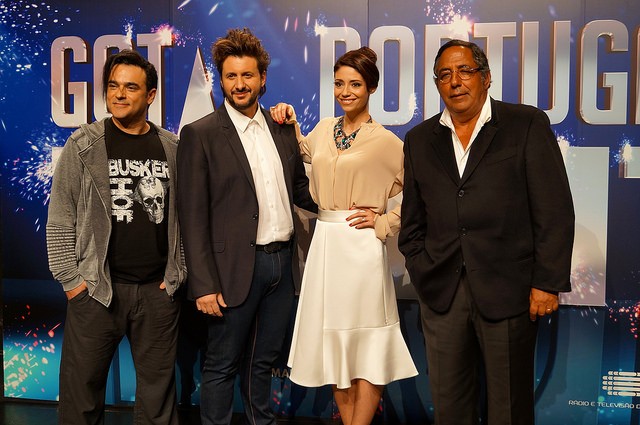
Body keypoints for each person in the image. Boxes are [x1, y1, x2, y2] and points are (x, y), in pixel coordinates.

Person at [398, 39, 575, 425]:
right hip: (442, 294)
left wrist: (546, 282)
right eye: (444, 75)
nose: (455, 81)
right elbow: (412, 221)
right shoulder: (419, 140)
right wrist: (422, 269)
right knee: (449, 408)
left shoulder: (525, 124)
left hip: (510, 291)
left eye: (465, 71)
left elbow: (554, 210)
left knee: (509, 408)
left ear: (486, 77)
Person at [270, 46, 418, 425]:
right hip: (326, 244)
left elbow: (422, 191)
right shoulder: (323, 129)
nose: (345, 91)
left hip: (361, 247)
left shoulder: (386, 141)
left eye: (355, 84)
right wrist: (287, 117)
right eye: (339, 83)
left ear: (371, 88)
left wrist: (385, 223)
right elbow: (298, 149)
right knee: (336, 342)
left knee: (367, 344)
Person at [176, 27, 317, 425]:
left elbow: (302, 191)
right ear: (221, 81)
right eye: (231, 76)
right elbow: (192, 216)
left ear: (262, 78)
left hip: (282, 265)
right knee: (221, 364)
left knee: (263, 363)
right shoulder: (200, 134)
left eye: (247, 75)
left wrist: (345, 199)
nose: (239, 84)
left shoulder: (282, 128)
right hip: (232, 270)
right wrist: (203, 284)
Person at [46, 49, 186, 425]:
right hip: (96, 291)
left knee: (158, 404)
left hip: (157, 295)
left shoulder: (172, 148)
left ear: (151, 95)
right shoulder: (83, 144)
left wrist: (177, 274)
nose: (119, 94)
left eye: (130, 87)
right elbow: (60, 218)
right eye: (113, 86)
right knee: (80, 400)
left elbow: (185, 219)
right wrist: (73, 283)